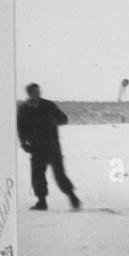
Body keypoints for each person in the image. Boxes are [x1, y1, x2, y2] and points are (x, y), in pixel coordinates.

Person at [17, 83, 81, 211]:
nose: (38, 94)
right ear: (29, 93)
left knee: (59, 174)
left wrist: (51, 122)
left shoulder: (49, 105)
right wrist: (23, 143)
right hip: (36, 148)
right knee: (37, 175)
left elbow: (63, 119)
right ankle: (42, 202)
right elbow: (21, 128)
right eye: (35, 92)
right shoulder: (23, 108)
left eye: (38, 91)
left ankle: (73, 197)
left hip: (52, 146)